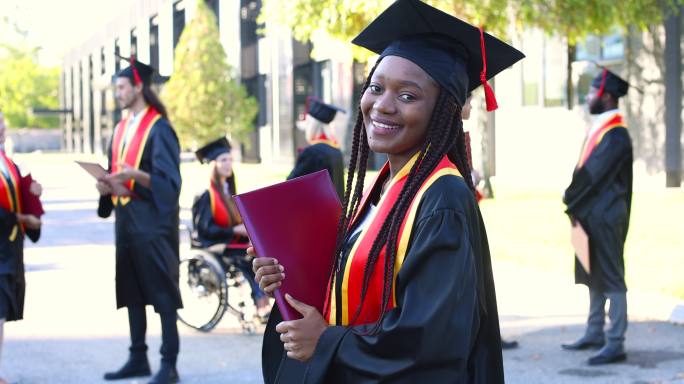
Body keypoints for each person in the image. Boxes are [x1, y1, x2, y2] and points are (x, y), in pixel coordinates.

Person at [253, 0, 524, 382]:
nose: (382, 105)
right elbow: (351, 285)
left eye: (408, 96)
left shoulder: (442, 199)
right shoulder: (382, 190)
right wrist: (285, 276)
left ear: (444, 111)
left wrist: (327, 342)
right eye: (375, 87)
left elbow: (429, 342)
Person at [96, 56, 182, 384]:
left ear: (138, 87)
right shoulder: (120, 128)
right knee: (131, 289)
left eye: (121, 87)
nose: (117, 93)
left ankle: (169, 363)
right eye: (116, 87)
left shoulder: (159, 128)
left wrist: (137, 176)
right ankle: (137, 357)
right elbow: (114, 170)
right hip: (126, 220)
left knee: (161, 293)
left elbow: (169, 182)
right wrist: (106, 183)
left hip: (154, 224)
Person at [561, 67, 633, 366]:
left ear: (606, 97)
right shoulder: (600, 128)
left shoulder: (616, 134)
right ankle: (594, 332)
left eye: (592, 92)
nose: (588, 97)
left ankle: (615, 342)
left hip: (606, 216)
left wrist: (568, 195)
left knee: (612, 278)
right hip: (588, 214)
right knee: (592, 274)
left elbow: (592, 175)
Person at [461, 94, 519, 350]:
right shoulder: (449, 134)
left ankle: (485, 333)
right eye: (468, 100)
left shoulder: (460, 133)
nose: (471, 106)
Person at [192, 137, 270, 317]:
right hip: (213, 243)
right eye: (223, 160)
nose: (228, 164)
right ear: (213, 164)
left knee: (261, 249)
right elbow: (205, 229)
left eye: (230, 159)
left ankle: (265, 299)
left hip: (229, 241)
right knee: (248, 258)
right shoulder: (206, 194)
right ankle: (261, 303)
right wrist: (235, 230)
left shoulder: (227, 190)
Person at [0, 111, 42, 384]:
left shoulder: (8, 163)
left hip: (8, 250)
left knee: (0, 314)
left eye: (3, 124)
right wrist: (18, 218)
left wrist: (33, 195)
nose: (3, 129)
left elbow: (20, 197)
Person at [288, 97, 345, 199]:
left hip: (315, 211)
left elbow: (290, 185)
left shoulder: (313, 153)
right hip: (335, 211)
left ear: (311, 125)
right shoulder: (336, 151)